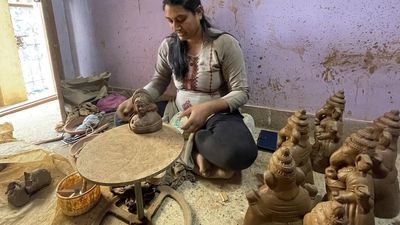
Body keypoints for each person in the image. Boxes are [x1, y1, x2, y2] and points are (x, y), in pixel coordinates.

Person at [116, 0, 258, 179]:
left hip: (216, 116)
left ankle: (191, 142)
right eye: (170, 20)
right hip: (177, 112)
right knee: (121, 118)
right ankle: (196, 153)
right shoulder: (169, 45)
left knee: (240, 154)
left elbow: (241, 92)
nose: (175, 27)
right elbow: (159, 81)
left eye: (181, 19)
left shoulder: (224, 44)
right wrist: (140, 97)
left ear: (198, 12)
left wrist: (206, 109)